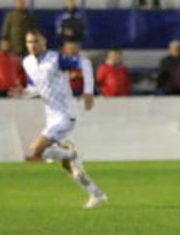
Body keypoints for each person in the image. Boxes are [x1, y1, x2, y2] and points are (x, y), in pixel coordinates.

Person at [8, 30, 107, 209]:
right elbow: (35, 88)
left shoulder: (55, 59)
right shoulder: (27, 62)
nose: (32, 45)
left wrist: (88, 92)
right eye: (29, 42)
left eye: (35, 42)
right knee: (69, 168)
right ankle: (96, 193)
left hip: (66, 115)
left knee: (36, 149)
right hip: (51, 118)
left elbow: (85, 63)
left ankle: (71, 154)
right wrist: (23, 93)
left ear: (43, 43)